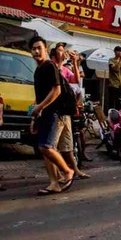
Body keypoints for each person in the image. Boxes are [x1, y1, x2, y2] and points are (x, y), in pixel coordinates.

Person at [29, 36, 75, 195]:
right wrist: (34, 117)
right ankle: (54, 183)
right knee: (45, 149)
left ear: (46, 50)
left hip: (55, 113)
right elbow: (39, 97)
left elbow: (57, 90)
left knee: (46, 147)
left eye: (39, 48)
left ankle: (67, 171)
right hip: (44, 113)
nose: (36, 51)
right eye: (33, 49)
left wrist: (40, 107)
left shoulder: (49, 66)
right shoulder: (38, 70)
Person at [50, 43, 89, 180]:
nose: (64, 52)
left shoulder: (65, 70)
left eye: (64, 50)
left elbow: (76, 80)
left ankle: (75, 170)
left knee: (68, 144)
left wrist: (75, 62)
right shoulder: (51, 67)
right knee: (52, 146)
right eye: (60, 50)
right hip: (55, 111)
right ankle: (58, 174)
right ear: (53, 53)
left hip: (65, 111)